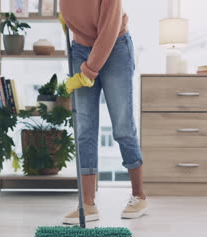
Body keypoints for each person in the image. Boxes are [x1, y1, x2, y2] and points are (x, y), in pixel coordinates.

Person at [59, 0, 148, 224]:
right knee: (85, 128)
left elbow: (108, 28)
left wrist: (89, 71)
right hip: (80, 50)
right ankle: (87, 204)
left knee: (122, 126)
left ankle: (139, 196)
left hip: (115, 46)